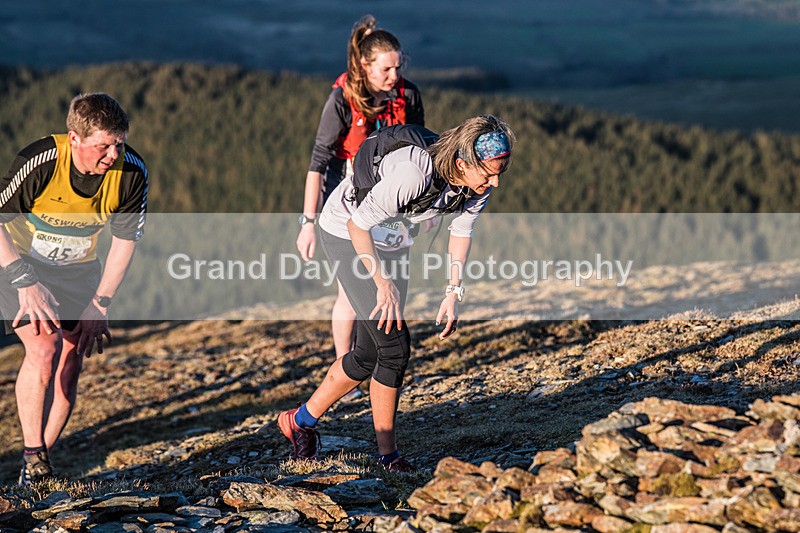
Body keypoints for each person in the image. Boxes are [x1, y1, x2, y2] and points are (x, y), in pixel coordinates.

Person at [279, 115, 515, 470]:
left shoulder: (475, 182)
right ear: (462, 163)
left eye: (500, 172)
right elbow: (357, 226)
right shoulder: (413, 175)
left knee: (368, 354)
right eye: (488, 173)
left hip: (391, 240)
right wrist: (382, 283)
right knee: (394, 346)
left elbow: (462, 231)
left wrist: (453, 292)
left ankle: (298, 422)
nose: (494, 182)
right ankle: (388, 456)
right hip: (347, 233)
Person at [0, 93, 148, 485]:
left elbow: (125, 242)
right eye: (103, 145)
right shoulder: (42, 162)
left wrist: (99, 305)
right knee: (44, 349)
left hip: (78, 271)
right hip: (19, 264)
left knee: (69, 368)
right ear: (74, 139)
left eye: (119, 142)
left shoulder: (131, 172)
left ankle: (38, 459)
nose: (113, 154)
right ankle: (34, 460)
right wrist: (24, 280)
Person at [296, 15, 424, 390]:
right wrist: (308, 223)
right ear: (365, 65)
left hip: (393, 202)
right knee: (350, 293)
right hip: (345, 202)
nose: (394, 75)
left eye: (398, 67)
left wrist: (423, 210)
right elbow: (318, 163)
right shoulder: (342, 99)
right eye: (386, 68)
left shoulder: (409, 95)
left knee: (391, 282)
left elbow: (420, 148)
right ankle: (345, 366)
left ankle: (373, 357)